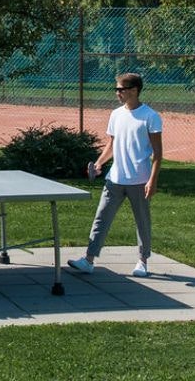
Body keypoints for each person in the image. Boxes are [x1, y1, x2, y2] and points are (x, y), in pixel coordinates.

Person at [68, 72, 162, 278]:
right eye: (117, 89)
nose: (117, 93)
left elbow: (158, 153)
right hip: (114, 179)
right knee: (101, 219)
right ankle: (89, 260)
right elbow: (111, 145)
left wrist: (152, 181)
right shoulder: (116, 114)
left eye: (121, 89)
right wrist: (100, 164)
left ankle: (142, 261)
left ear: (134, 90)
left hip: (140, 180)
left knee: (142, 222)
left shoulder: (150, 116)